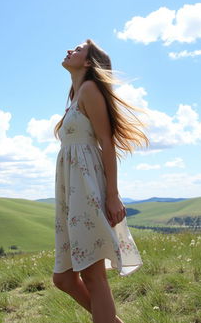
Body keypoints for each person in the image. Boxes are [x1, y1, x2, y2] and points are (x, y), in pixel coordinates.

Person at [52, 39, 150, 323]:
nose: (70, 50)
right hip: (71, 189)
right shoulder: (76, 95)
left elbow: (107, 142)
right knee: (63, 278)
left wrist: (112, 195)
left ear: (88, 62)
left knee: (92, 276)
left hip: (86, 186)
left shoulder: (90, 89)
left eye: (78, 49)